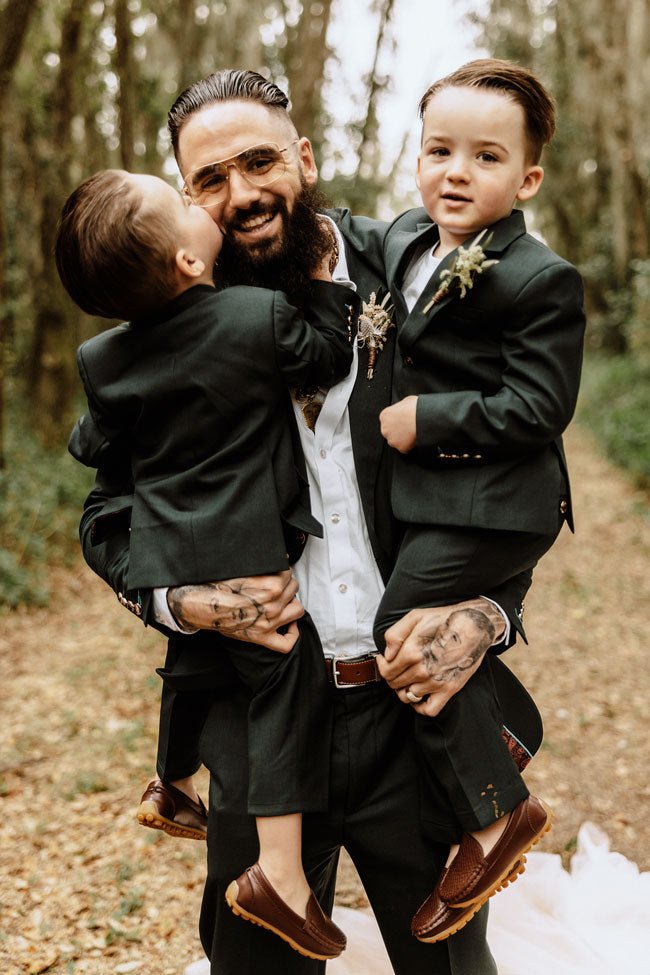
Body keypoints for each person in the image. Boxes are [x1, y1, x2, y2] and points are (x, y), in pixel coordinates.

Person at [75, 68, 541, 975]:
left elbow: (512, 468)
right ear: (187, 203)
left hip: (414, 713)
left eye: (259, 162)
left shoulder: (419, 275)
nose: (242, 194)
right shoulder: (156, 335)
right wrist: (185, 603)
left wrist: (487, 616)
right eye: (212, 179)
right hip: (257, 717)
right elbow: (107, 515)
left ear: (306, 158)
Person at [58, 166, 358, 959]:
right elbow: (326, 352)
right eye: (190, 196)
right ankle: (281, 876)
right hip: (254, 558)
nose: (209, 204)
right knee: (281, 680)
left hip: (179, 549)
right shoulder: (256, 315)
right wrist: (326, 286)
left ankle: (170, 778)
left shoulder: (105, 358)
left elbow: (90, 441)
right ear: (188, 261)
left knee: (193, 648)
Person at [375, 58, 585, 942]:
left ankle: (498, 821)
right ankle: (500, 736)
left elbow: (540, 407)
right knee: (412, 640)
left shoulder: (538, 277)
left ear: (526, 177)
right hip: (438, 504)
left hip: (500, 502)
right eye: (439, 150)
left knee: (400, 634)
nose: (455, 171)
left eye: (485, 156)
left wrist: (432, 418)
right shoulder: (401, 238)